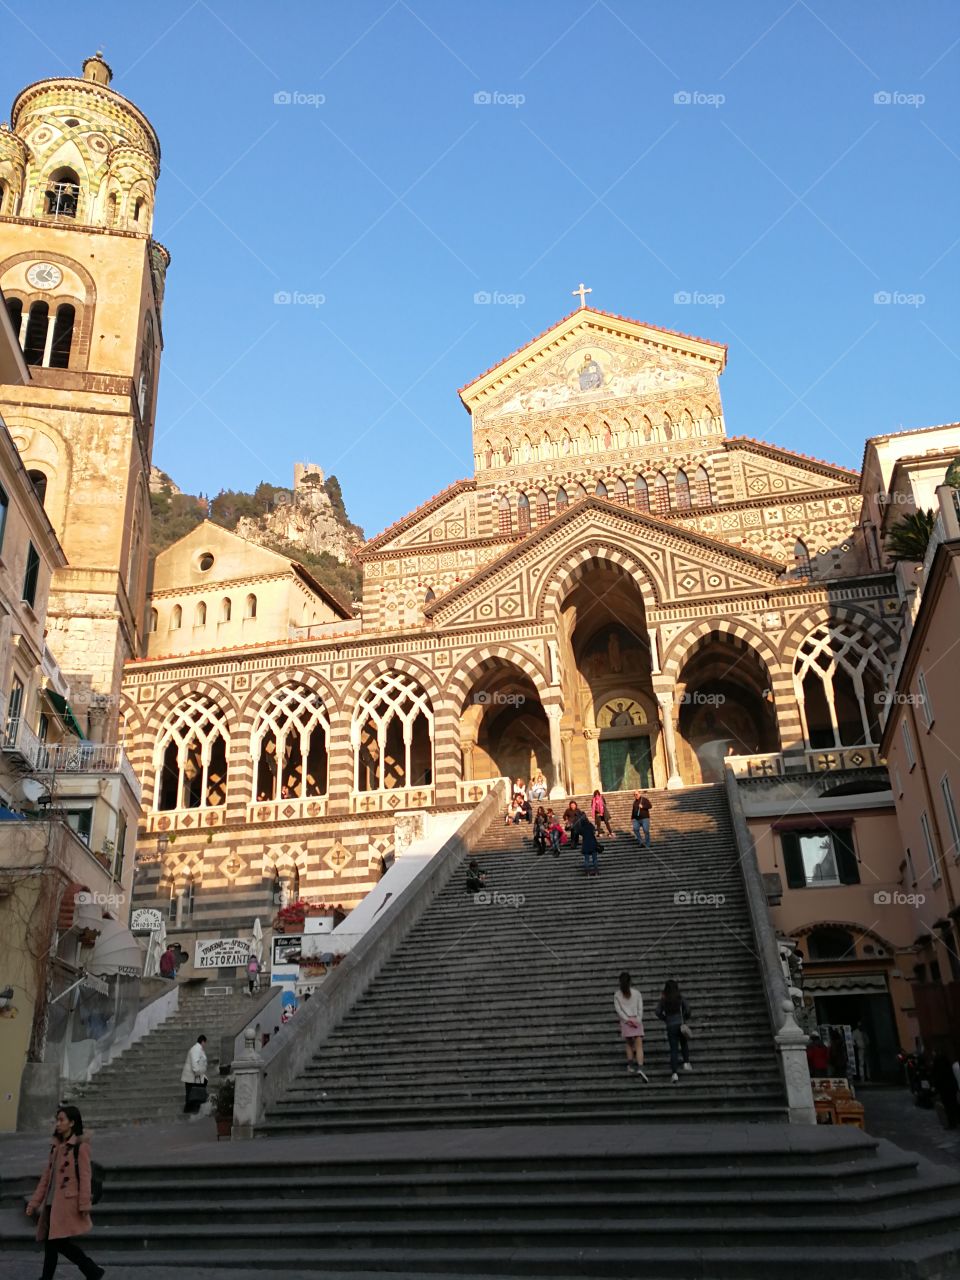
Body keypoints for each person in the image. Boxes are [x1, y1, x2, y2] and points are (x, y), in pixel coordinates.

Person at [26, 1104, 103, 1280]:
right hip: (51, 1204)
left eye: (62, 1120)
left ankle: (91, 1270)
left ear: (72, 1123)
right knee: (53, 1244)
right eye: (57, 1120)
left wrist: (84, 1203)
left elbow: (85, 1177)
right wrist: (34, 1203)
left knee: (57, 1243)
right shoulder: (55, 1147)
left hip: (67, 1204)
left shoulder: (80, 1147)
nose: (58, 1124)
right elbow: (46, 1178)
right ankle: (92, 1271)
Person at [614, 970, 649, 1081]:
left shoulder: (617, 995)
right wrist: (637, 1020)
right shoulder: (637, 993)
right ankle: (640, 1067)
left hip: (626, 1022)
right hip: (636, 1020)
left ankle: (630, 1065)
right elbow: (640, 1008)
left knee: (629, 1044)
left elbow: (618, 1011)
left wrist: (627, 1020)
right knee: (639, 1045)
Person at [655, 979, 692, 1083]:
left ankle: (674, 1073)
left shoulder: (664, 999)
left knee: (673, 1049)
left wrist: (665, 1018)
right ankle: (686, 1063)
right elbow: (688, 1009)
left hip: (670, 1026)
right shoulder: (680, 998)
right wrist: (684, 1017)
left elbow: (657, 1011)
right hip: (680, 1024)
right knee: (684, 1044)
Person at [181, 1034, 208, 1113]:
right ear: (202, 1042)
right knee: (191, 1093)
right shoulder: (196, 1049)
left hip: (194, 1076)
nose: (205, 1045)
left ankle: (191, 1109)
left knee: (192, 1093)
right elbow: (194, 1063)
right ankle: (189, 1110)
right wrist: (198, 1072)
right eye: (205, 1043)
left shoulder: (198, 1049)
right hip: (192, 1076)